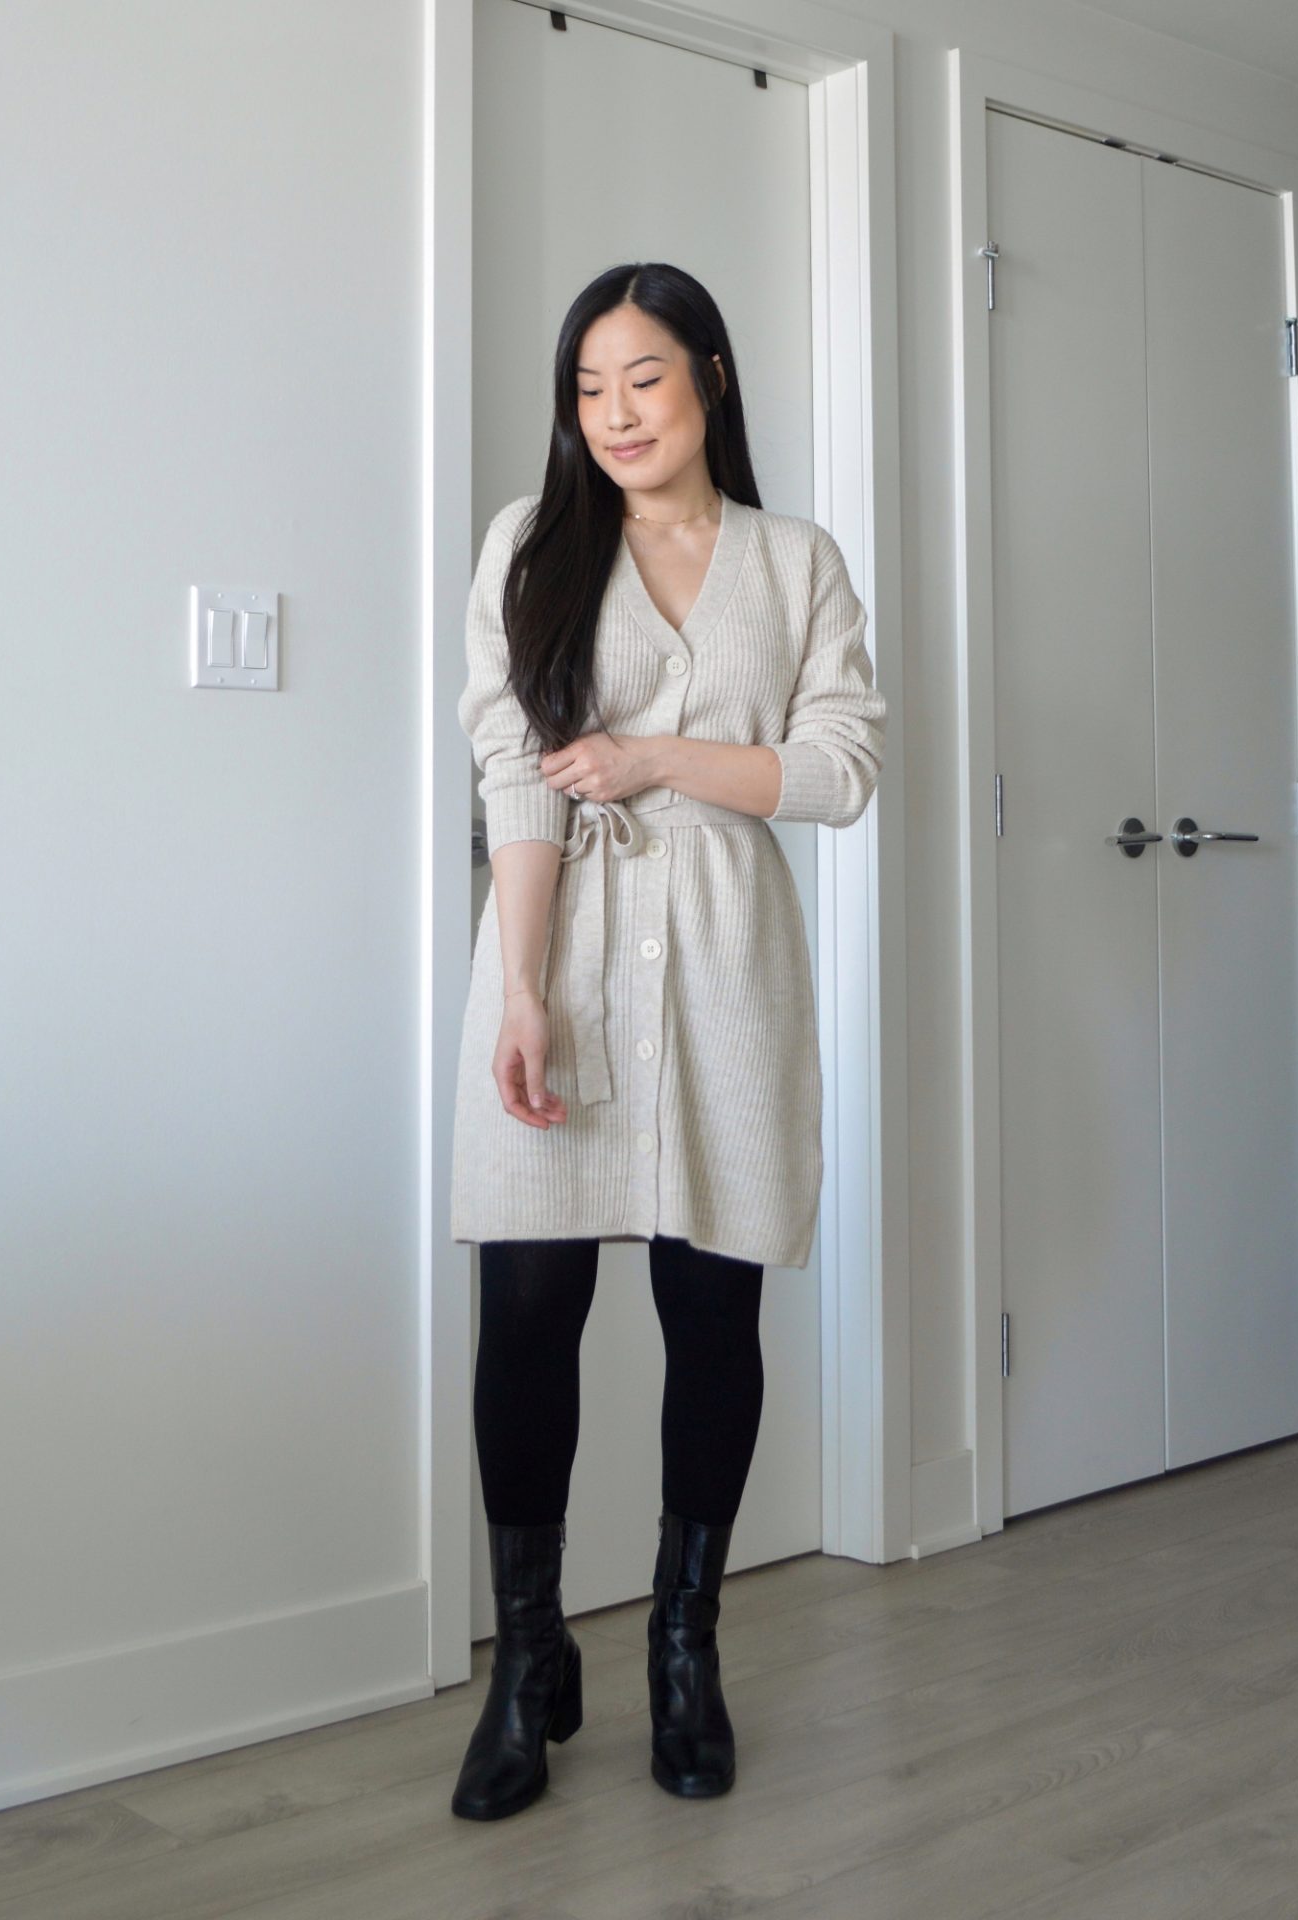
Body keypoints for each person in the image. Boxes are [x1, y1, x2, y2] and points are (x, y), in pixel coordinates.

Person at [448, 262, 889, 1821]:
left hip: (725, 969)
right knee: (527, 1312)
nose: (615, 414)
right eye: (587, 387)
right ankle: (530, 1660)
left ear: (708, 373)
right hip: (552, 951)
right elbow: (512, 769)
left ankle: (686, 1650)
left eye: (643, 377)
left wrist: (653, 756)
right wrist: (519, 988)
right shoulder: (533, 541)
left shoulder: (796, 560)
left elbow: (839, 773)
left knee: (714, 1320)